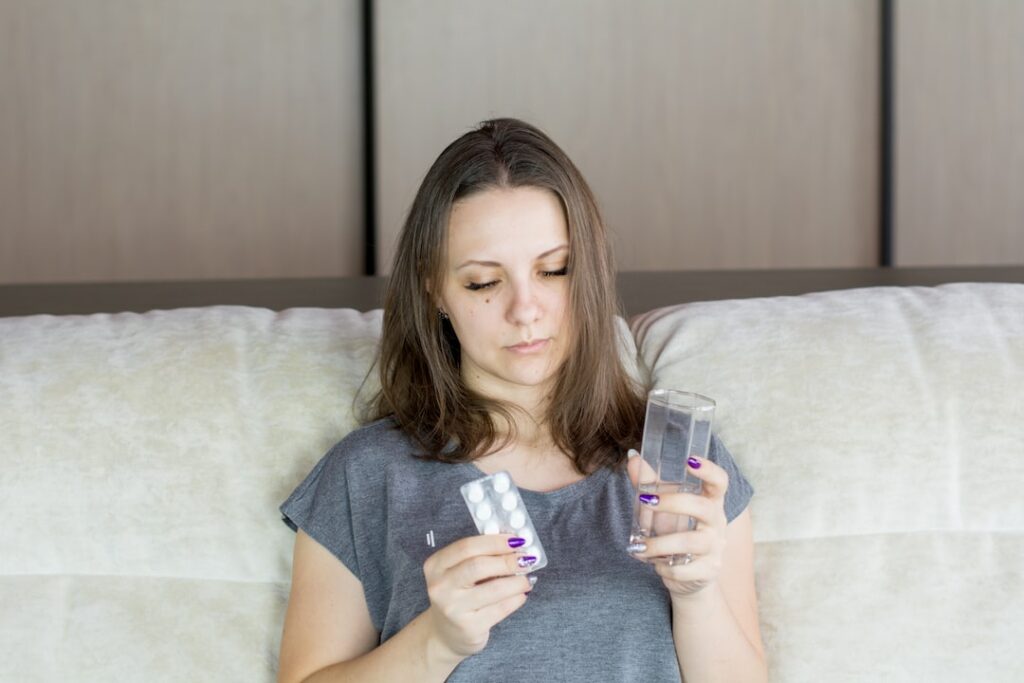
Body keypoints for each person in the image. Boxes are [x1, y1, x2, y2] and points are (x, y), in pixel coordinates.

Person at [276, 118, 767, 682]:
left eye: (553, 270)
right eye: (484, 282)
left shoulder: (682, 468)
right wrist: (437, 642)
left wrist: (696, 594)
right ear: (433, 287)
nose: (525, 309)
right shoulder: (366, 474)